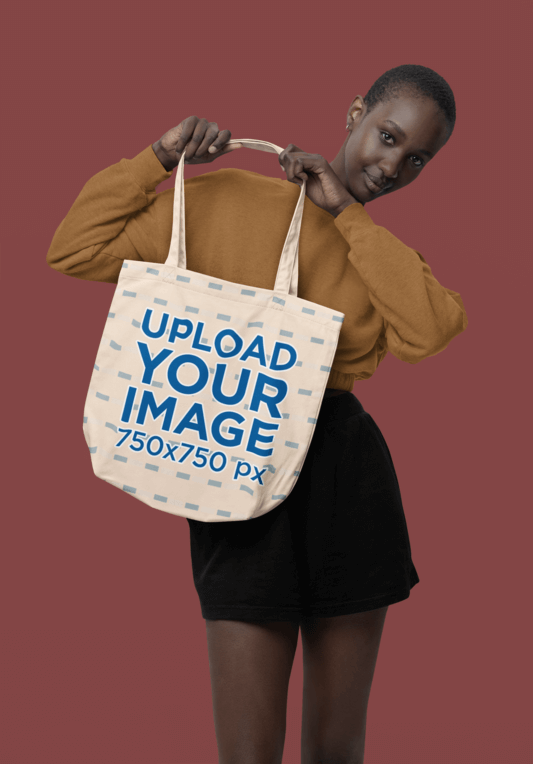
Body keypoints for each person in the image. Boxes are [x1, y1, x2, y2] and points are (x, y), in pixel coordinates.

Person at [46, 64, 468, 764]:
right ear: (355, 112)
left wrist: (346, 217)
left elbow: (430, 331)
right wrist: (156, 159)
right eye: (387, 136)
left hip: (346, 480)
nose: (392, 164)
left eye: (416, 158)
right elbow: (73, 248)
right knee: (247, 754)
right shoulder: (222, 199)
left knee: (337, 749)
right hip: (234, 470)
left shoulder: (373, 249)